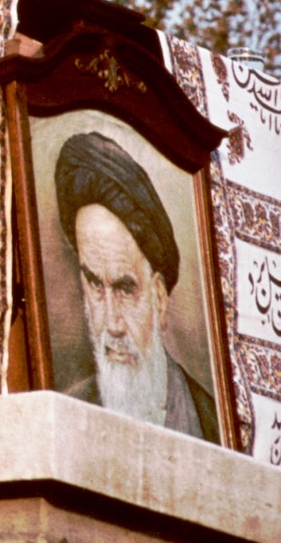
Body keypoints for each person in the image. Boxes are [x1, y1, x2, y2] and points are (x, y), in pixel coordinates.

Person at [54, 131, 219, 443]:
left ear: (159, 297)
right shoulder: (66, 413)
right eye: (94, 284)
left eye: (125, 289)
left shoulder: (208, 421)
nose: (111, 324)